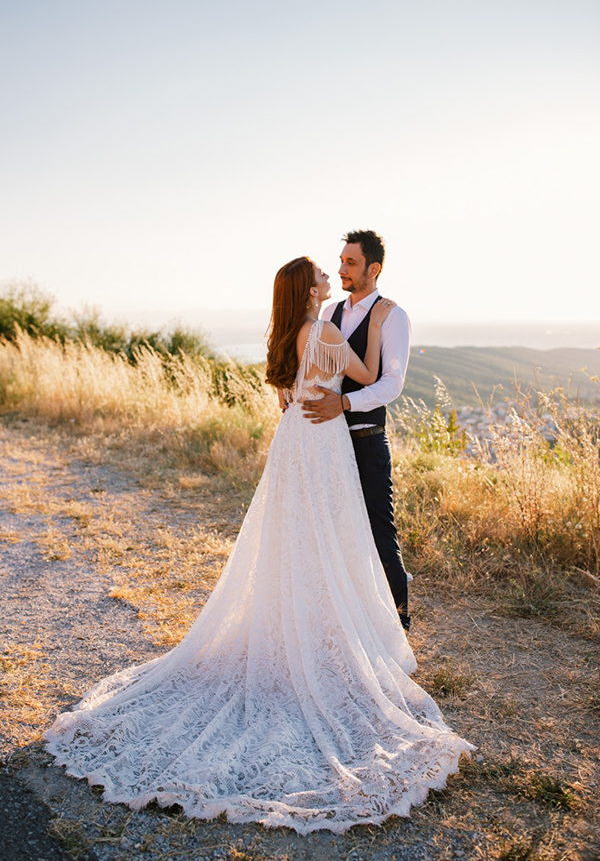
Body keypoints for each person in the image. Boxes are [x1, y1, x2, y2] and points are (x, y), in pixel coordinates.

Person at [44, 256, 473, 834]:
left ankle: (294, 624)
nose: (328, 278)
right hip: (324, 443)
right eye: (322, 274)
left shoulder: (285, 337)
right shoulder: (322, 330)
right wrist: (378, 328)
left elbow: (286, 400)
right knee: (331, 539)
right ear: (308, 289)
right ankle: (329, 631)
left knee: (294, 541)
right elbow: (371, 376)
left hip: (294, 437)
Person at [302, 231, 412, 632]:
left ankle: (398, 618)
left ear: (373, 268)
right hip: (325, 442)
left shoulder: (392, 316)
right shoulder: (328, 312)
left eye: (350, 262)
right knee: (334, 529)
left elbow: (391, 384)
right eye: (341, 261)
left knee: (378, 528)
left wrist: (345, 403)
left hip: (365, 439)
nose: (341, 269)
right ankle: (347, 616)